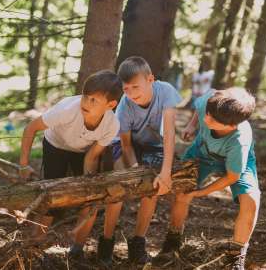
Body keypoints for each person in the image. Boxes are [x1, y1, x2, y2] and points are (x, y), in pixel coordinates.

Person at [18, 69, 123, 260]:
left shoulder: (112, 125)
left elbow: (91, 156)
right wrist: (23, 164)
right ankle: (34, 247)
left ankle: (77, 248)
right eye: (86, 96)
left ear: (111, 105)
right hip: (56, 145)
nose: (86, 102)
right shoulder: (67, 110)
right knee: (52, 197)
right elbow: (31, 127)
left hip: (82, 151)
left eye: (94, 100)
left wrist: (87, 181)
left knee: (90, 198)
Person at [153, 87, 260, 270]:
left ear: (232, 126)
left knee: (251, 200)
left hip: (232, 162)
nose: (206, 118)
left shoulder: (238, 141)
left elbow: (232, 176)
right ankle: (173, 240)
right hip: (201, 152)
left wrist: (200, 193)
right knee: (182, 189)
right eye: (207, 113)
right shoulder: (210, 104)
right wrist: (191, 125)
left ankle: (236, 256)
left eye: (213, 119)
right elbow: (201, 106)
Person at [95, 56, 182, 267]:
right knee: (118, 188)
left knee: (151, 187)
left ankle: (138, 243)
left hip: (156, 145)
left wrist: (166, 171)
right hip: (126, 145)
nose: (132, 93)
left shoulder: (166, 92)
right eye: (126, 89)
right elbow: (125, 146)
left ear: (151, 79)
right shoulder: (125, 106)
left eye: (136, 86)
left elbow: (169, 133)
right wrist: (135, 169)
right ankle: (106, 242)